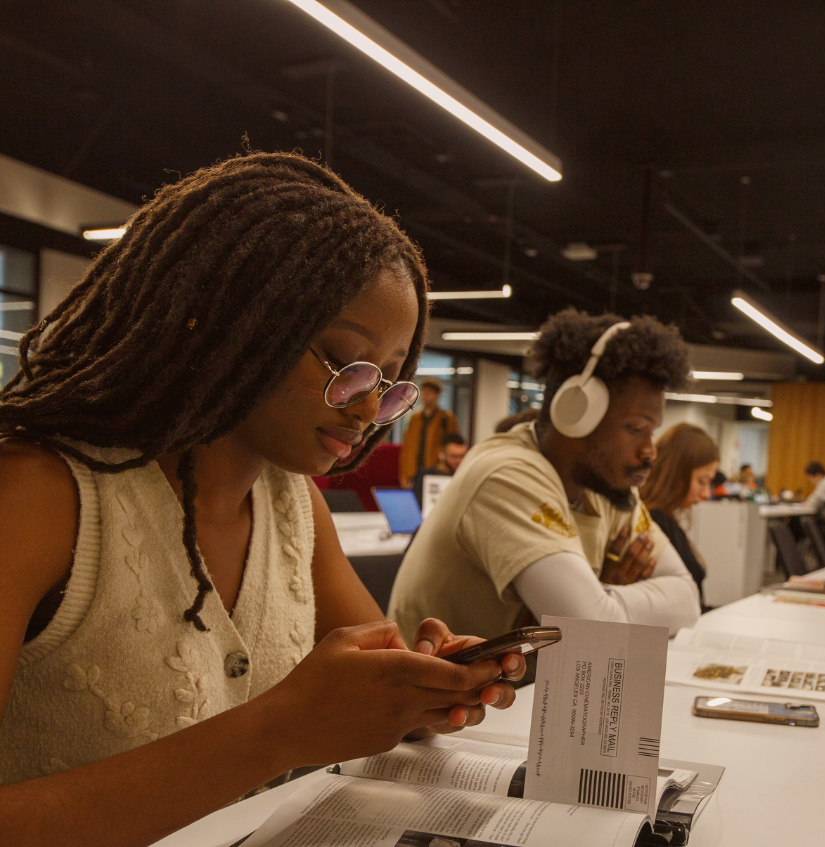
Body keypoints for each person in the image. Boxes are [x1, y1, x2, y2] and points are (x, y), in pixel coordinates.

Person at [0, 152, 523, 844]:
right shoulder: (38, 493)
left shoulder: (293, 506)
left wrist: (422, 693)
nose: (369, 407)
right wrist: (277, 732)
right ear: (226, 319)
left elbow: (371, 681)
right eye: (349, 363)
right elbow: (285, 727)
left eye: (392, 381)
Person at [388, 309, 701, 641]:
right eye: (635, 429)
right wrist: (599, 607)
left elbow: (687, 601)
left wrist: (602, 597)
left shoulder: (606, 483)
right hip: (428, 690)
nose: (649, 451)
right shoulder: (507, 476)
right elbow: (589, 629)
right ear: (577, 412)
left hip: (514, 689)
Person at [640, 423, 719, 608]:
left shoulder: (665, 519)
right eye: (702, 481)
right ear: (676, 474)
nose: (706, 494)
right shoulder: (655, 522)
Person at [398, 378, 458, 489]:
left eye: (429, 393)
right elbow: (407, 447)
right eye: (424, 392)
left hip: (436, 472)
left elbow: (453, 446)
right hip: (415, 472)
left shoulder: (446, 418)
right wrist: (404, 474)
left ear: (437, 395)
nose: (426, 396)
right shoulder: (415, 419)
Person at [411, 432, 468, 503]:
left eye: (462, 456)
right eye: (454, 456)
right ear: (442, 454)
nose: (459, 461)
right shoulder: (425, 475)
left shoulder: (465, 477)